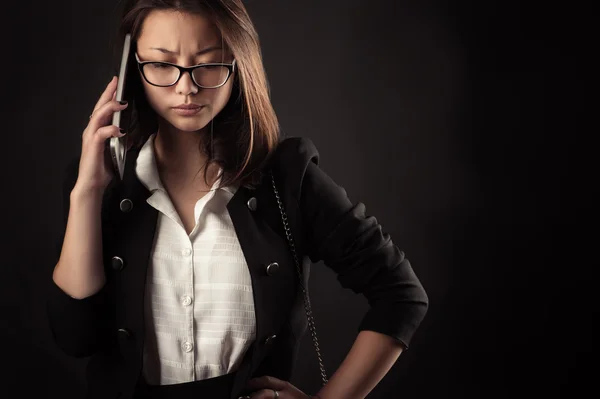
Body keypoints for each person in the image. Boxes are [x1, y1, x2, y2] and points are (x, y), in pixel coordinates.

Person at [46, 1, 429, 398]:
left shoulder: (288, 179)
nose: (186, 87)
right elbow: (75, 337)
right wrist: (86, 193)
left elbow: (400, 293)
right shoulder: (99, 184)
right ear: (132, 70)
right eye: (161, 64)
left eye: (208, 64)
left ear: (238, 64)